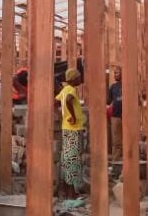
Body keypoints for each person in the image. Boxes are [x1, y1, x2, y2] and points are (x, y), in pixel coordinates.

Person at [56, 68, 85, 202]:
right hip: (73, 129)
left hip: (66, 129)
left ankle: (69, 191)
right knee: (72, 161)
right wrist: (72, 116)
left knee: (68, 160)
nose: (80, 79)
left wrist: (62, 115)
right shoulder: (71, 90)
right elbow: (68, 100)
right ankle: (71, 194)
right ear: (73, 79)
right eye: (78, 77)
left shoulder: (64, 90)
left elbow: (56, 101)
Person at [107, 67, 123, 158]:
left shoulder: (128, 85)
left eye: (117, 73)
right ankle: (115, 160)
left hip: (127, 117)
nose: (115, 75)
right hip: (115, 116)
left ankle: (128, 161)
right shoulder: (113, 87)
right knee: (116, 141)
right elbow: (108, 101)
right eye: (114, 73)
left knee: (128, 139)